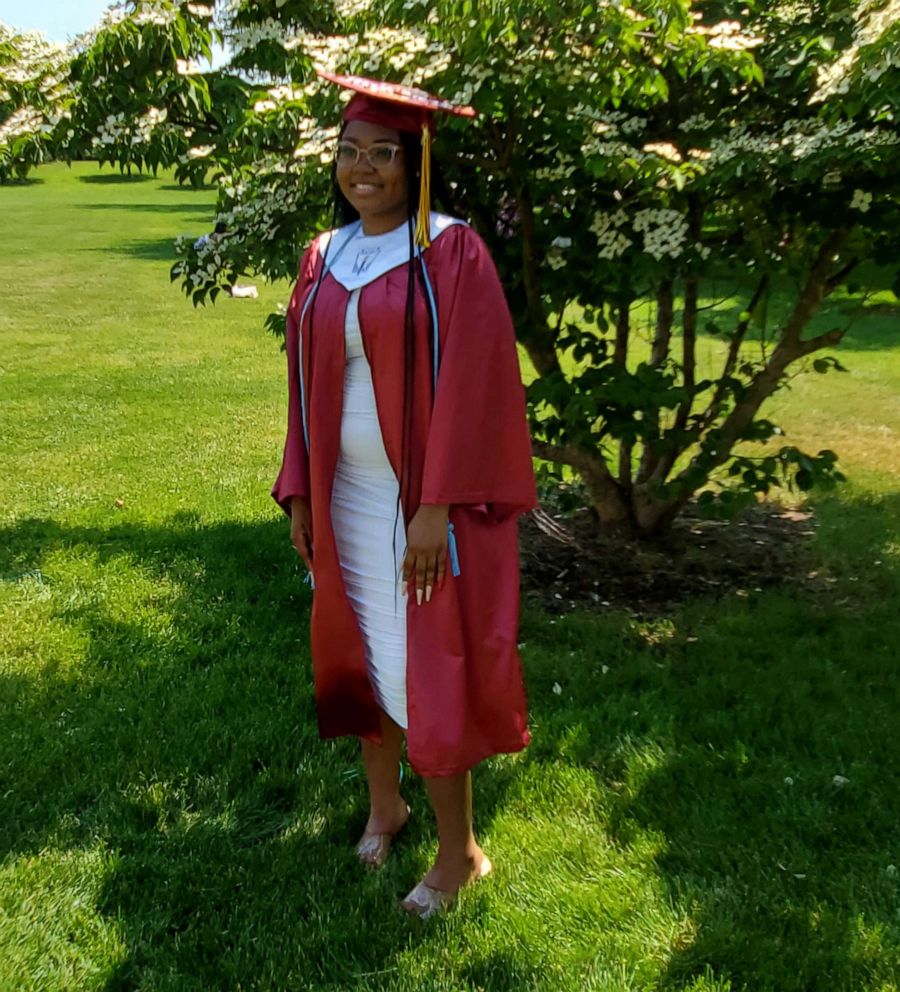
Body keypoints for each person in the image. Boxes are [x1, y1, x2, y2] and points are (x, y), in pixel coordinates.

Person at [272, 73, 537, 919]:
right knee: (356, 651)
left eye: (383, 154)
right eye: (350, 152)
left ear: (417, 164)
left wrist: (435, 507)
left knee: (425, 664)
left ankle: (459, 853)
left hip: (421, 510)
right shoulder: (327, 251)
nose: (363, 169)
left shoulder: (451, 249)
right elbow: (302, 385)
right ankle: (386, 807)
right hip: (344, 496)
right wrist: (301, 494)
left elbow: (479, 385)